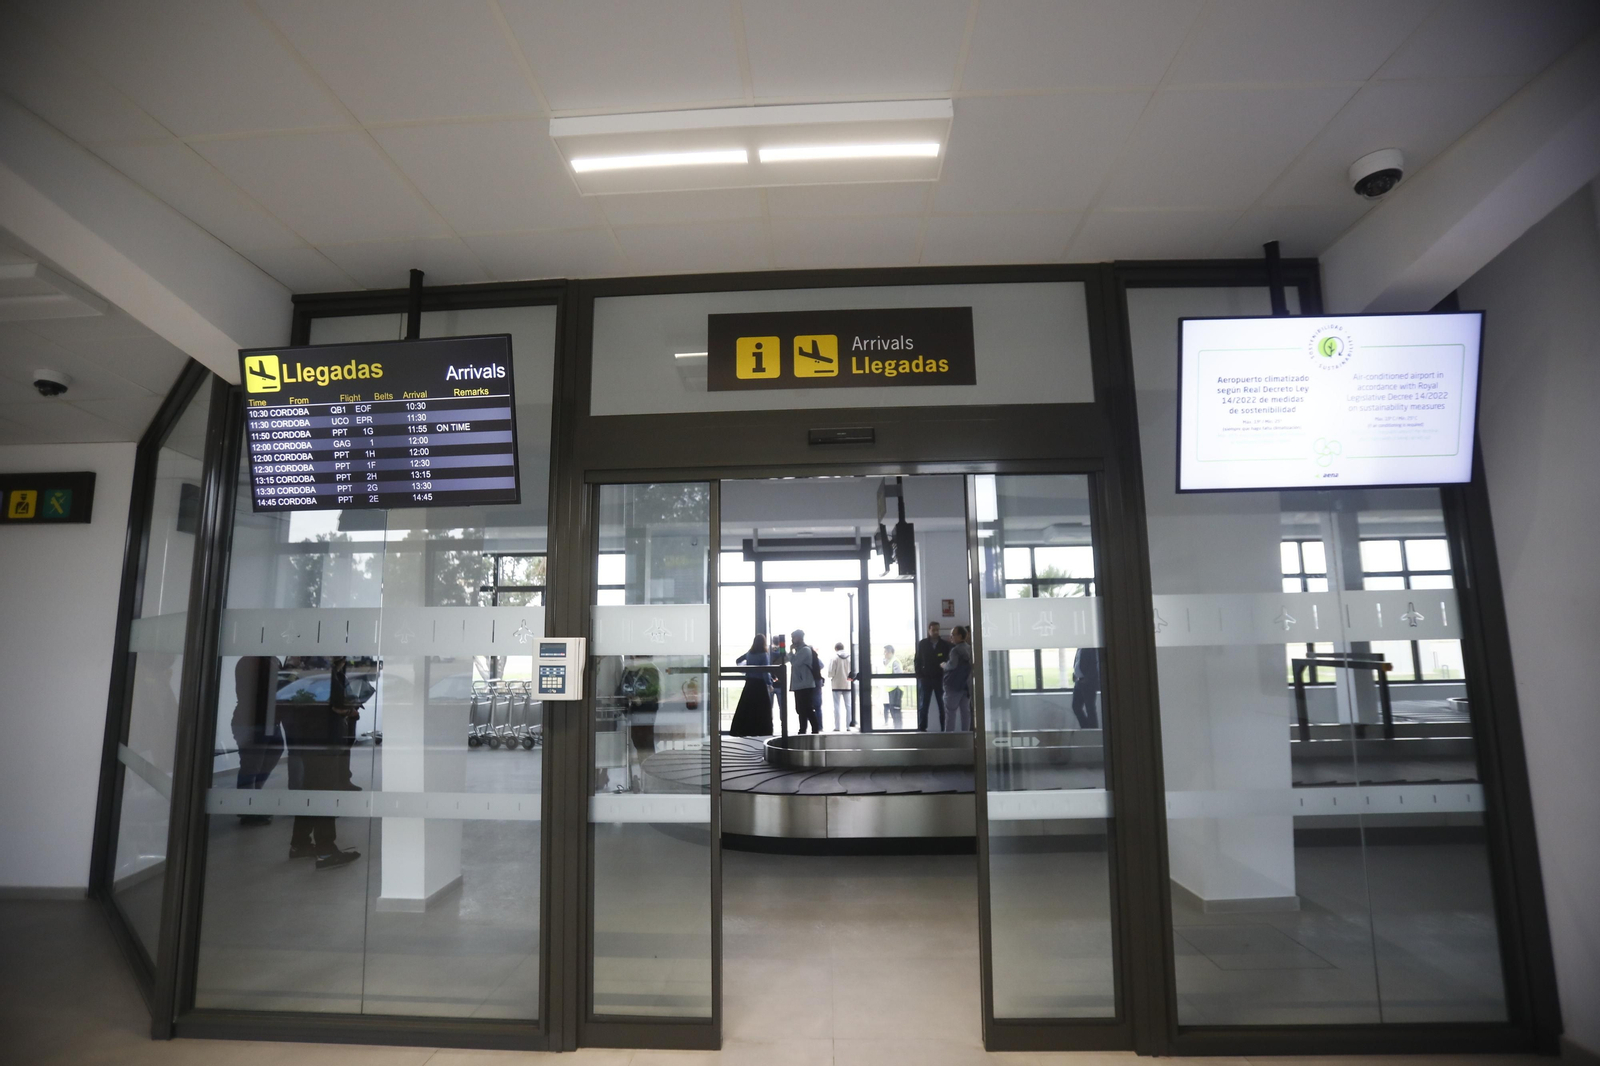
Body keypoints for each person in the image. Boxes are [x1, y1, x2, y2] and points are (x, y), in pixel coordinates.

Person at [278, 656, 361, 870]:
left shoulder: (307, 668)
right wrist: (347, 703)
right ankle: (325, 850)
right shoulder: (321, 670)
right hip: (321, 739)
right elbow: (338, 704)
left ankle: (300, 844)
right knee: (323, 793)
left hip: (310, 739)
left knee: (311, 792)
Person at [231, 655, 284, 825]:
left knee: (272, 753)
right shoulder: (251, 661)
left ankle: (253, 798)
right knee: (251, 765)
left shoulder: (273, 660)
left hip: (269, 721)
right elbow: (269, 689)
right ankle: (247, 810)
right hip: (252, 721)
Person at [729, 635, 773, 736]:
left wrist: (745, 670)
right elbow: (765, 671)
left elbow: (738, 660)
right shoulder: (764, 654)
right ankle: (762, 731)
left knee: (747, 707)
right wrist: (769, 683)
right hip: (760, 685)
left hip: (750, 683)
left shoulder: (749, 653)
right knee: (762, 708)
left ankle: (744, 730)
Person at [914, 622, 952, 731]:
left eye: (937, 630)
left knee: (942, 705)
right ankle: (922, 728)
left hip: (940, 678)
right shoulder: (923, 644)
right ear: (928, 630)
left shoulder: (944, 645)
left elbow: (948, 660)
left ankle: (944, 728)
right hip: (925, 678)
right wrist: (919, 675)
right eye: (933, 630)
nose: (935, 632)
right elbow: (918, 660)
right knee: (923, 705)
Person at [788, 630, 824, 735]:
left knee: (807, 708)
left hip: (805, 684)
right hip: (800, 684)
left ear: (799, 638)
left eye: (793, 637)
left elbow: (795, 663)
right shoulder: (800, 650)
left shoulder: (805, 650)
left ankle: (814, 729)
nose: (792, 640)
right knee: (800, 709)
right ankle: (803, 729)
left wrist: (790, 652)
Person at [941, 625, 974, 732]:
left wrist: (944, 665)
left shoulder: (955, 650)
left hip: (953, 686)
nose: (951, 637)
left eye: (953, 635)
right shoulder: (970, 649)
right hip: (966, 686)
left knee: (950, 714)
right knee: (966, 713)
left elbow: (952, 665)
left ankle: (949, 739)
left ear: (960, 636)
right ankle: (966, 737)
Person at [1071, 646, 1101, 729]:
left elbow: (1094, 664)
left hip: (1088, 683)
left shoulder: (1090, 648)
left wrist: (1088, 679)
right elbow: (1078, 662)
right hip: (1078, 681)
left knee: (1090, 708)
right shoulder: (1079, 648)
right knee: (1076, 707)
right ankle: (1086, 728)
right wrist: (1075, 674)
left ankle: (1093, 730)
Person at [827, 642, 855, 731]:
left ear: (836, 649)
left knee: (836, 706)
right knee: (848, 706)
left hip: (836, 684)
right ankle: (848, 726)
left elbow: (831, 672)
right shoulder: (850, 657)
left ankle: (837, 727)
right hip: (848, 684)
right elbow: (853, 672)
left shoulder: (834, 657)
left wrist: (832, 676)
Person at [881, 644, 904, 729]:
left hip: (896, 689)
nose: (884, 654)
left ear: (890, 652)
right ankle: (896, 726)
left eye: (885, 652)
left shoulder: (895, 661)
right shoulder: (889, 661)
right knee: (892, 709)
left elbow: (898, 675)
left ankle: (898, 728)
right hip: (891, 689)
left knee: (896, 709)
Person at [769, 633, 788, 729]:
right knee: (782, 707)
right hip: (780, 683)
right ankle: (783, 725)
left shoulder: (769, 652)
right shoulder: (782, 652)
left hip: (770, 682)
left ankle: (770, 725)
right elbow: (787, 659)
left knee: (769, 707)